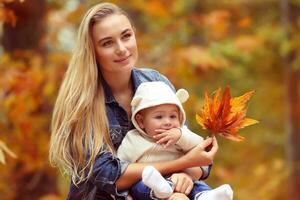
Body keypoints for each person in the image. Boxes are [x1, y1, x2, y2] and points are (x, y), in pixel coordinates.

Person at [49, 2, 219, 200]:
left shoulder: (156, 83)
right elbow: (110, 176)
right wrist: (182, 164)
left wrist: (186, 175)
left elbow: (191, 151)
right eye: (107, 43)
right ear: (92, 51)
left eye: (126, 36)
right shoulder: (81, 102)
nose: (121, 49)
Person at [117, 81, 233, 200]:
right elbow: (120, 168)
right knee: (140, 185)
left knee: (197, 185)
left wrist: (180, 135)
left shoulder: (181, 134)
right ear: (141, 121)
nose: (168, 122)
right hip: (150, 183)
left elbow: (198, 145)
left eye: (173, 116)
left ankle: (205, 196)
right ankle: (161, 190)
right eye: (159, 117)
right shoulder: (133, 139)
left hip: (181, 179)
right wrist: (125, 194)